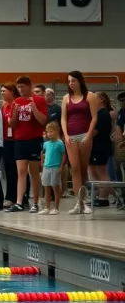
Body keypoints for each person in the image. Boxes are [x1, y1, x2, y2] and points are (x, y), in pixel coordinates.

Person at [6, 76, 47, 213]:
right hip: (20, 140)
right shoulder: (16, 102)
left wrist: (33, 106)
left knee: (34, 172)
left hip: (34, 140)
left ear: (30, 86)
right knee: (21, 172)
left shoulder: (40, 100)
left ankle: (35, 202)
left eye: (23, 86)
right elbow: (12, 124)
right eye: (19, 87)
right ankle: (19, 202)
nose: (21, 89)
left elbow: (43, 121)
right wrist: (15, 113)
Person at [61, 71, 98, 214]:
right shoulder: (66, 98)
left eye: (74, 81)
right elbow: (63, 118)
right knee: (74, 168)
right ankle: (79, 203)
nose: (71, 83)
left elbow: (94, 118)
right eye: (69, 81)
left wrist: (89, 136)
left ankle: (85, 201)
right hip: (71, 136)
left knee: (83, 169)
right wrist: (65, 135)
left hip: (84, 135)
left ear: (80, 81)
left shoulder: (90, 96)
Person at [89, 92, 115, 206]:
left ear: (101, 99)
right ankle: (103, 194)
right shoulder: (96, 113)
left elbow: (96, 130)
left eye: (95, 98)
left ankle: (104, 197)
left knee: (102, 171)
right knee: (94, 172)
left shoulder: (103, 114)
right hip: (93, 147)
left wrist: (85, 137)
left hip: (101, 146)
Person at [0, 83, 20, 209]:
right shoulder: (4, 105)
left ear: (12, 91)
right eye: (1, 91)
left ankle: (17, 197)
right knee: (8, 170)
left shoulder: (17, 103)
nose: (1, 93)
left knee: (18, 170)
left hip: (17, 140)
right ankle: (10, 196)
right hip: (6, 140)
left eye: (4, 91)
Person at [40, 122, 65, 215]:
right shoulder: (46, 143)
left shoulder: (60, 143)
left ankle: (56, 207)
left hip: (56, 167)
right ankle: (47, 207)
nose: (49, 134)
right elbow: (42, 153)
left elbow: (63, 155)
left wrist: (61, 166)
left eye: (51, 131)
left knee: (56, 187)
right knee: (46, 187)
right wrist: (42, 161)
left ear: (57, 131)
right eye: (47, 132)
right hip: (46, 167)